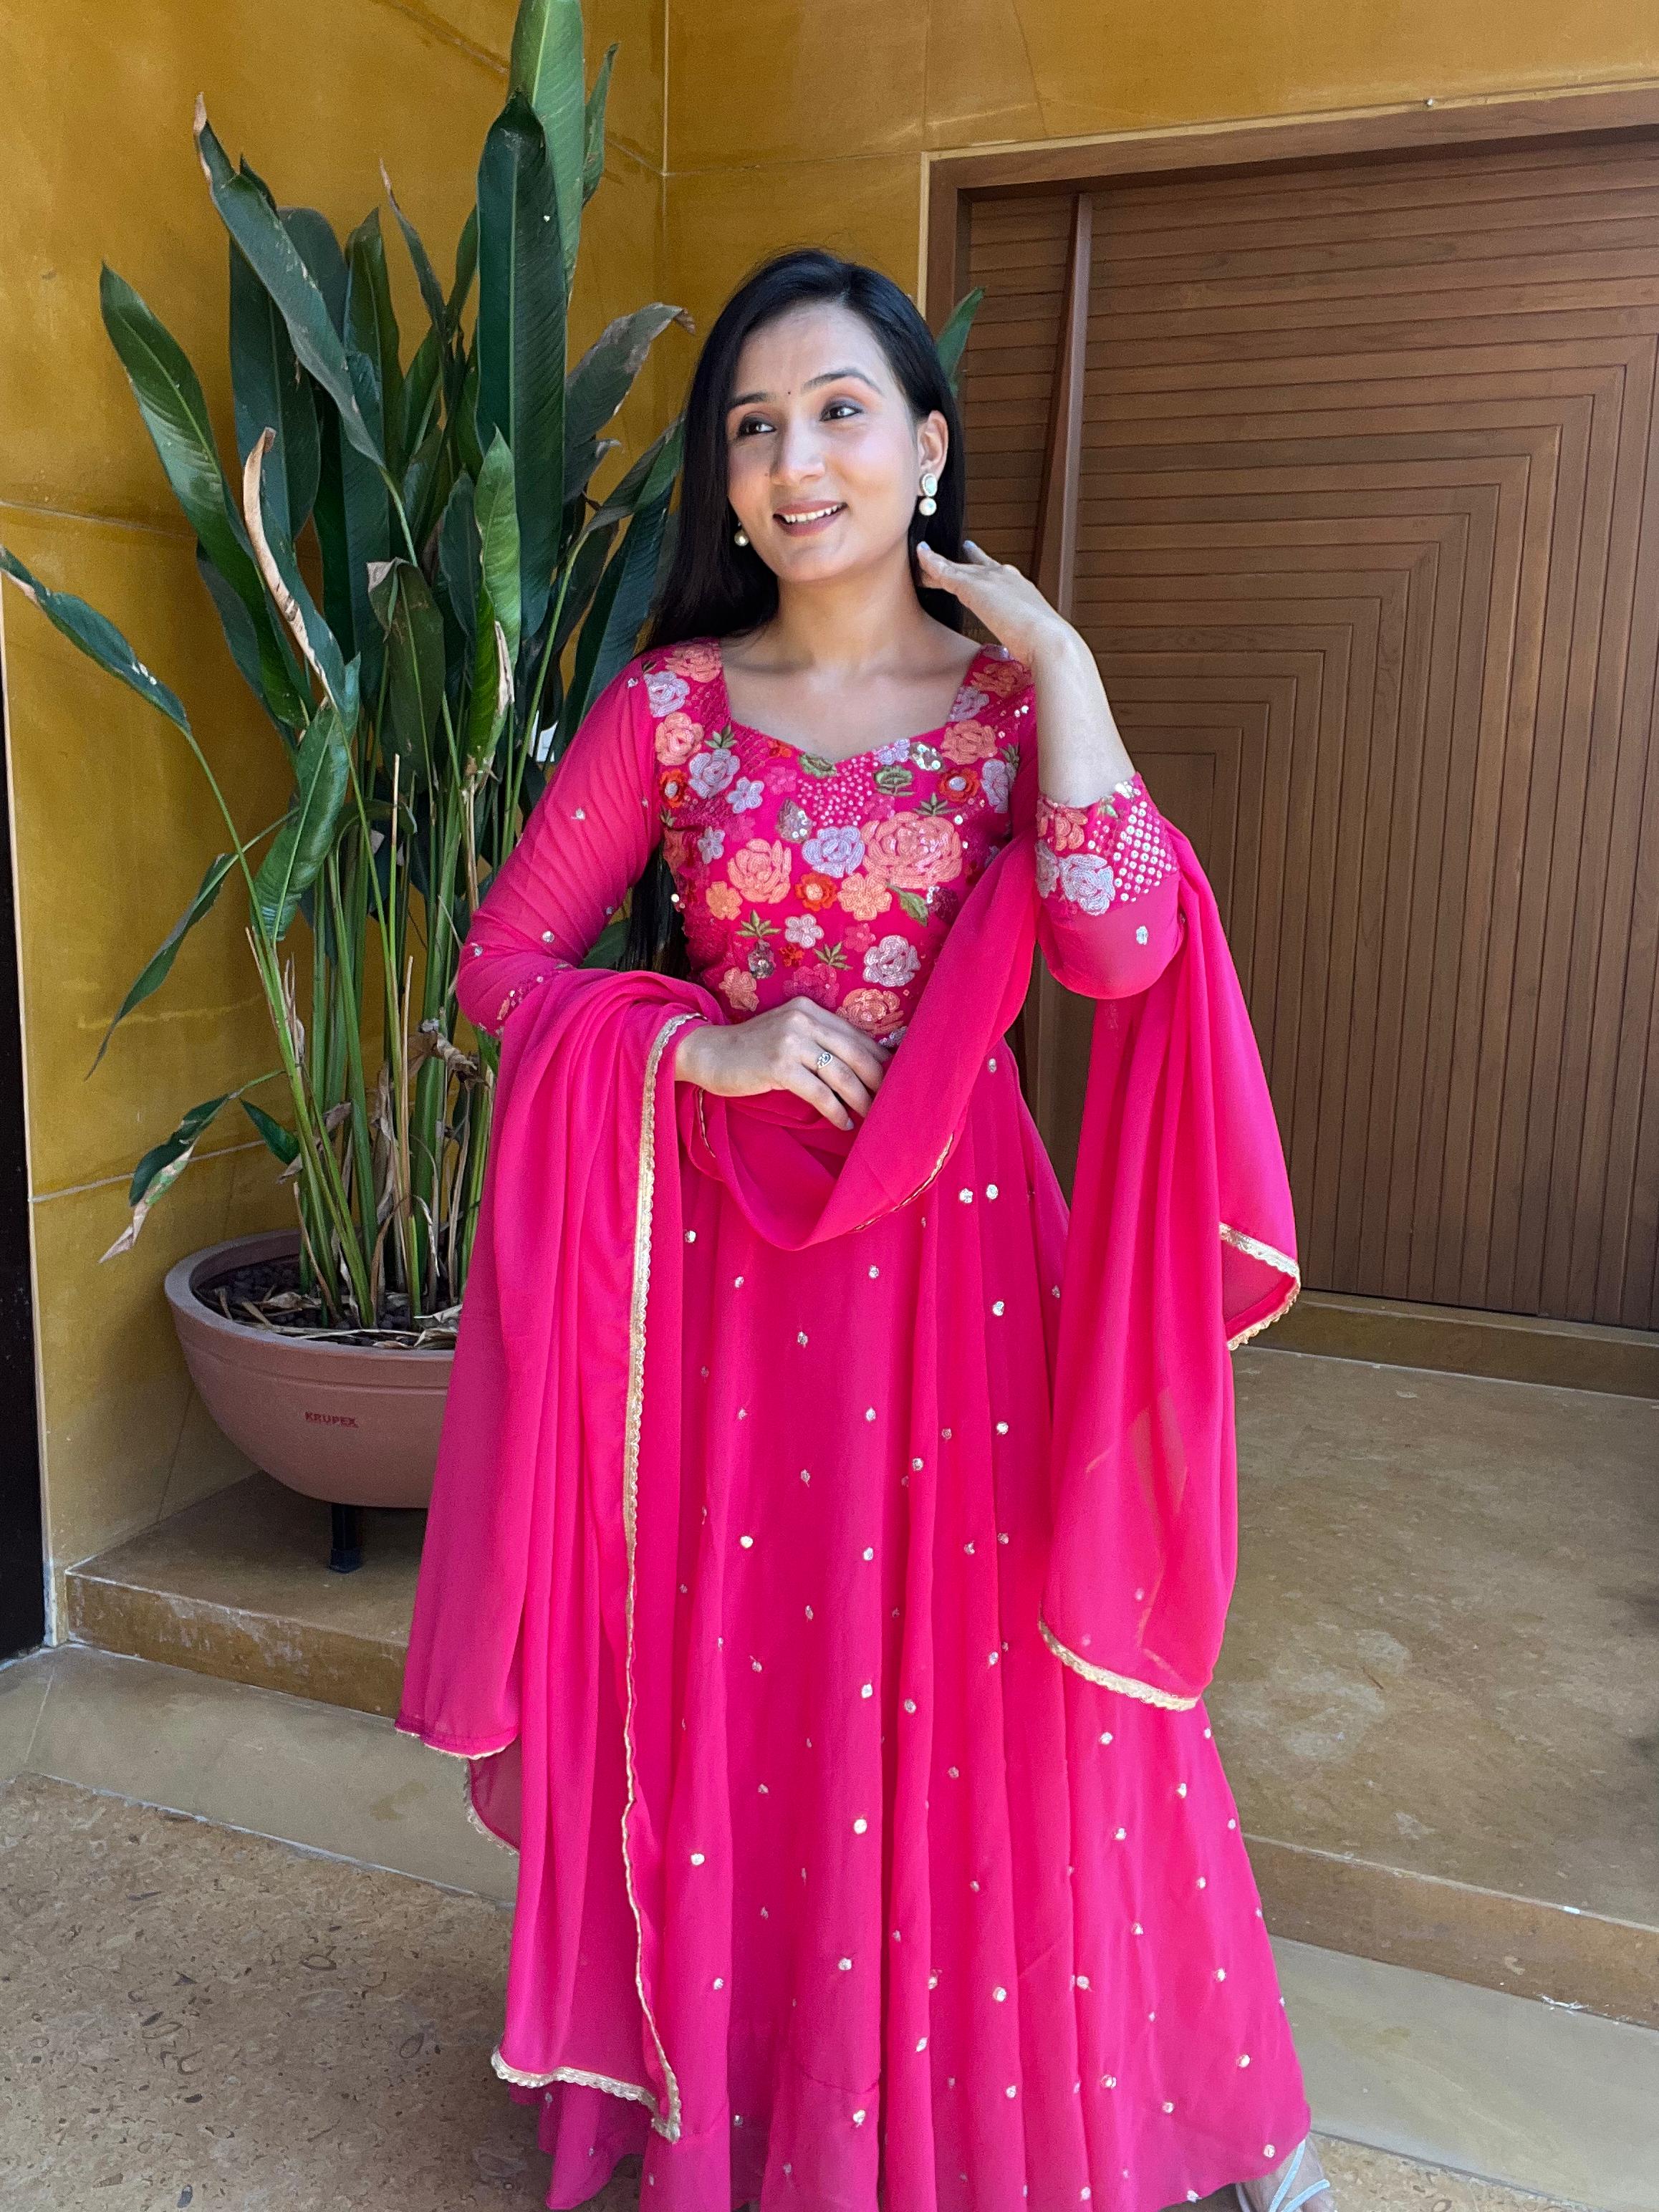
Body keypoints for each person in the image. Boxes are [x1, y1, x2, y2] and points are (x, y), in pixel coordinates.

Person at [398, 248, 1335, 2212]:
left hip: (966, 1272)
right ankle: (744, 2095)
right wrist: (699, 1046)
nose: (791, 460)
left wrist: (1069, 677)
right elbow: (496, 973)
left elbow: (1119, 946)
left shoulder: (1008, 708)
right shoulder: (668, 712)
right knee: (743, 1676)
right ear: (724, 485)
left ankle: (1037, 2104)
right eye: (751, 427)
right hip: (726, 1277)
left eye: (835, 412)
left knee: (997, 1688)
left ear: (922, 443)